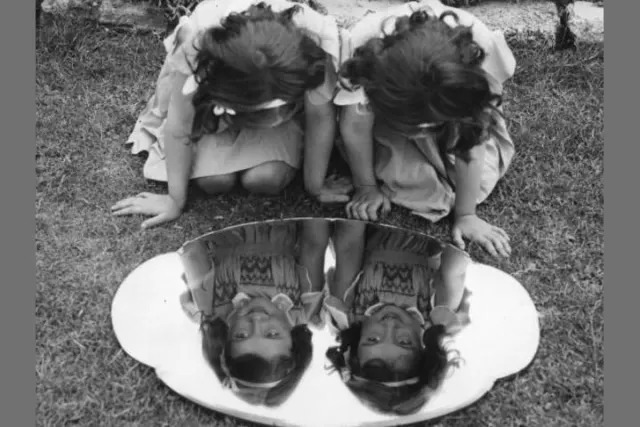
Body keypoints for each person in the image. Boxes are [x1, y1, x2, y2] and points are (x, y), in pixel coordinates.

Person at [111, 0, 347, 229]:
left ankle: (277, 136)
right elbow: (180, 125)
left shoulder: (309, 44)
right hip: (214, 106)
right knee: (214, 181)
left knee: (266, 178)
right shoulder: (197, 45)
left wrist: (315, 186)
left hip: (266, 102)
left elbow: (319, 116)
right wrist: (174, 200)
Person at [335, 0, 516, 258]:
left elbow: (473, 131)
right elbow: (355, 125)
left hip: (454, 106)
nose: (421, 133)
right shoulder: (363, 50)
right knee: (409, 178)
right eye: (416, 128)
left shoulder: (477, 46)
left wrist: (466, 214)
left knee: (477, 177)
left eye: (426, 127)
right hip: (389, 121)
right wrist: (366, 186)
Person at [324, 222, 471, 414]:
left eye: (373, 339)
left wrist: (359, 214)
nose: (390, 324)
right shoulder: (437, 315)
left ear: (356, 345)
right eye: (404, 341)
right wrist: (461, 233)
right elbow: (453, 270)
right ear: (423, 347)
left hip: (367, 232)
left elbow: (349, 247)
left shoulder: (351, 309)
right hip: (424, 236)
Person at [179, 220, 326, 406]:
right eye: (272, 333)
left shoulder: (211, 307)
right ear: (294, 341)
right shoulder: (303, 308)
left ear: (226, 338)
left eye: (241, 335)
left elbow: (192, 250)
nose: (256, 320)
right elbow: (313, 245)